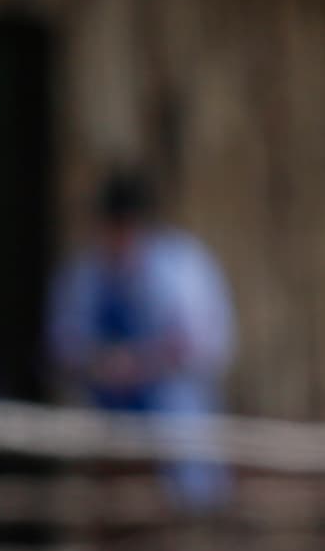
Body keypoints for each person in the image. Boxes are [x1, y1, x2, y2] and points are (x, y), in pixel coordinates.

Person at [47, 166, 236, 508]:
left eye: (126, 226)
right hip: (105, 407)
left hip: (171, 405)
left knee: (185, 435)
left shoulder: (182, 266)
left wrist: (142, 364)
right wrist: (100, 364)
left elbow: (209, 345)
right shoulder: (85, 274)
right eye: (111, 226)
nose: (118, 237)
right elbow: (63, 346)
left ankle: (193, 510)